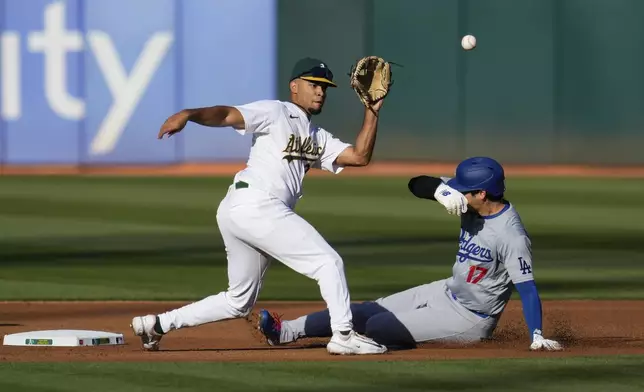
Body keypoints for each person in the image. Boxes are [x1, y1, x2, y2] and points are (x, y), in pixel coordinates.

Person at [130, 57, 391, 355]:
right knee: (328, 262)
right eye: (313, 85)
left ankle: (156, 324)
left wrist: (372, 111)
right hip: (257, 204)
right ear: (294, 86)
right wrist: (188, 114)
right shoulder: (276, 111)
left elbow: (359, 156)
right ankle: (343, 334)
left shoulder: (317, 136)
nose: (320, 92)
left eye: (325, 88)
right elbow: (228, 114)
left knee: (237, 302)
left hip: (241, 209)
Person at [257, 157, 563, 352]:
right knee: (366, 311)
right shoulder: (468, 199)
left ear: (482, 194)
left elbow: (527, 288)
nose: (455, 193)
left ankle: (368, 345)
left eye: (461, 190)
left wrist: (536, 335)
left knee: (378, 327)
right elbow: (416, 183)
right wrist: (440, 192)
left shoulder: (511, 235)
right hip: (446, 290)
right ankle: (286, 332)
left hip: (471, 318)